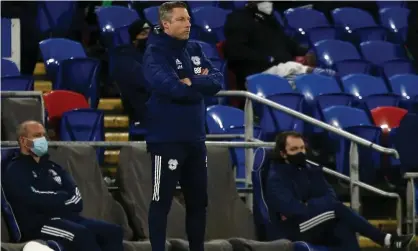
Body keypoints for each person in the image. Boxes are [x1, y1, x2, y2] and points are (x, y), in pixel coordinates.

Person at [141, 2, 223, 251]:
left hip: (196, 139)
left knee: (199, 202)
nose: (188, 23)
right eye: (181, 19)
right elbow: (172, 87)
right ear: (166, 24)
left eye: (188, 18)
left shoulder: (196, 48)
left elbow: (217, 81)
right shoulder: (155, 53)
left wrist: (191, 81)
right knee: (161, 201)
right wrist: (198, 87)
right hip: (166, 140)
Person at [265, 131, 414, 251]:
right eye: (294, 149)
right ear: (283, 154)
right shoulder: (276, 177)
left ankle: (387, 241)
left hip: (316, 222)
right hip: (293, 228)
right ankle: (385, 239)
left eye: (302, 148)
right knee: (338, 210)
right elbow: (293, 209)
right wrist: (317, 205)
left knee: (343, 227)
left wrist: (309, 203)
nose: (301, 153)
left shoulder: (310, 170)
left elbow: (330, 195)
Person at [2, 121, 124, 251]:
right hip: (38, 224)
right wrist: (61, 197)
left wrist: (54, 201)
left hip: (68, 219)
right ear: (23, 140)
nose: (42, 139)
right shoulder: (14, 170)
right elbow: (31, 200)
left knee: (113, 231)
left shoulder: (54, 167)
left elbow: (77, 199)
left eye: (44, 135)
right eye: (37, 135)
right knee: (80, 235)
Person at [223, 1, 336, 90]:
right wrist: (268, 59)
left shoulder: (270, 19)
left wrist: (308, 52)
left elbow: (287, 43)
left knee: (322, 83)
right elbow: (235, 52)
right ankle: (312, 73)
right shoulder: (237, 18)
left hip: (283, 71)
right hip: (258, 76)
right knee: (303, 76)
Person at [113, 19, 152, 137]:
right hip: (139, 107)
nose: (148, 38)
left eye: (150, 34)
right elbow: (143, 82)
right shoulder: (125, 57)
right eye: (143, 34)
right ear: (134, 38)